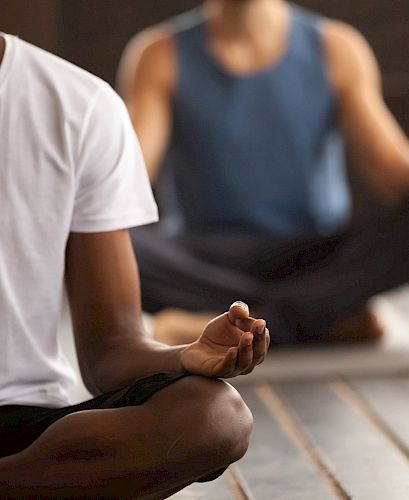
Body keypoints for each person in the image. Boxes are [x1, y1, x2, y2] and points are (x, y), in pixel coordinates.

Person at [120, 0, 409, 345]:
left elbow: (391, 169)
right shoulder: (159, 53)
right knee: (108, 242)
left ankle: (241, 324)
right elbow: (128, 181)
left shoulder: (336, 46)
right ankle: (320, 319)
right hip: (206, 257)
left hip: (312, 254)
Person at [0, 32, 270, 498]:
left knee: (214, 417)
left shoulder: (77, 104)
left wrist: (187, 357)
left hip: (21, 424)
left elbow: (111, 349)